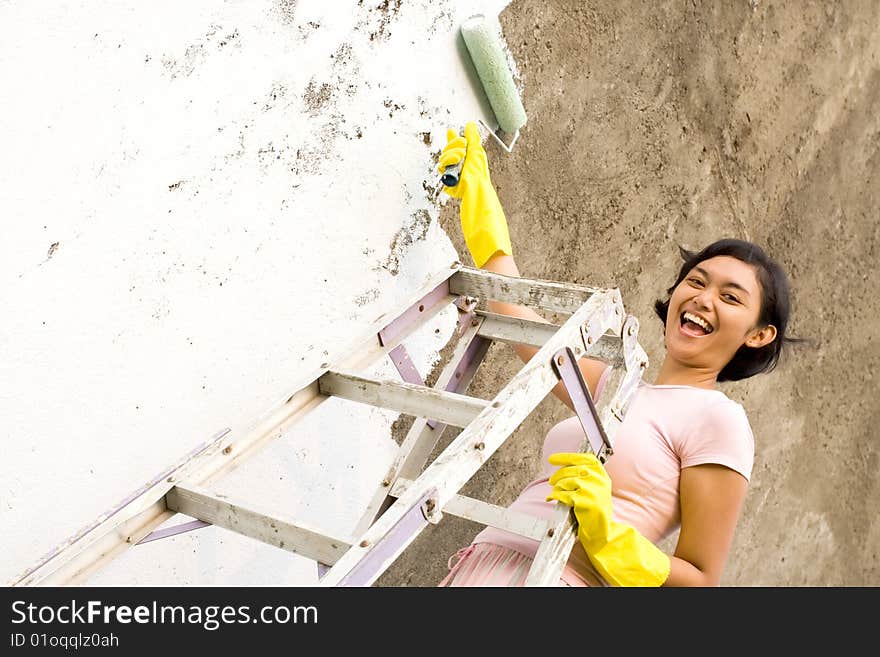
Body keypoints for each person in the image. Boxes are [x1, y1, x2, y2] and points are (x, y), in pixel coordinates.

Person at [435, 121, 800, 587]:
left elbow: (702, 579)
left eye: (731, 298)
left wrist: (614, 541)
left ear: (758, 335)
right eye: (696, 281)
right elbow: (527, 326)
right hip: (488, 564)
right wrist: (479, 204)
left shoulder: (719, 421)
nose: (704, 299)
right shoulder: (617, 390)